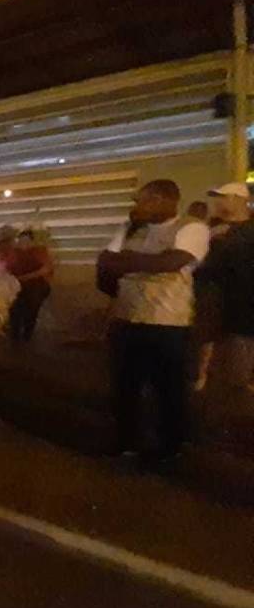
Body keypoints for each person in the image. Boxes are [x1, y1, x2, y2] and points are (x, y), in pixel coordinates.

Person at [96, 179, 210, 464]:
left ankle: (169, 447)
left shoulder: (191, 228)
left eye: (143, 200)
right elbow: (105, 261)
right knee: (125, 387)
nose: (137, 207)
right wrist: (136, 263)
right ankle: (126, 442)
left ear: (163, 200)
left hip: (168, 323)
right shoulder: (130, 229)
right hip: (127, 318)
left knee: (168, 389)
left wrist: (129, 260)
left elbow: (171, 262)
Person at [194, 181, 253, 396]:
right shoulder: (212, 229)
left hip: (242, 302)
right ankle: (203, 376)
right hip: (212, 297)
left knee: (241, 349)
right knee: (207, 340)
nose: (218, 202)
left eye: (223, 197)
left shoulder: (247, 231)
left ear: (239, 200)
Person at [6, 229, 53, 341]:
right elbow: (6, 268)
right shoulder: (14, 252)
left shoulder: (40, 251)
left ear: (32, 242)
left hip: (36, 286)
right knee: (14, 307)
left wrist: (25, 278)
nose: (23, 243)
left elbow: (46, 269)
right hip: (16, 285)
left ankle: (27, 334)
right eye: (21, 240)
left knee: (32, 306)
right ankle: (15, 335)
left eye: (26, 241)